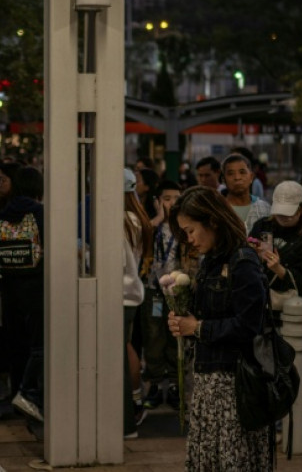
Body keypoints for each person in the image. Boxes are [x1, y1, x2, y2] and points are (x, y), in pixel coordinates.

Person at [167, 186, 271, 471]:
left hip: (233, 385)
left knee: (231, 459)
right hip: (208, 381)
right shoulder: (212, 261)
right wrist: (184, 321)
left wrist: (197, 328)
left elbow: (249, 325)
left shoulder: (243, 262)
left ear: (212, 221)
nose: (189, 240)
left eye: (190, 231)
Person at [0, 166, 46, 423]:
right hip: (35, 284)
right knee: (38, 344)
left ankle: (16, 394)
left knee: (16, 343)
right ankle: (31, 396)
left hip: (9, 286)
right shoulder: (39, 212)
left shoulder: (4, 211)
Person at [141, 180, 183, 411]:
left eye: (177, 198)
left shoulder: (185, 226)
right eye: (167, 199)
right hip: (154, 290)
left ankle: (177, 385)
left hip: (178, 291)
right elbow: (139, 237)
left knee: (176, 336)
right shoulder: (152, 226)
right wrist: (157, 218)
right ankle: (155, 384)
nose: (173, 203)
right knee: (154, 334)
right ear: (158, 202)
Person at [250, 181, 302, 309]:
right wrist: (252, 253)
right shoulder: (262, 226)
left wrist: (279, 269)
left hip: (292, 309)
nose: (283, 217)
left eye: (289, 212)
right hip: (258, 303)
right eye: (279, 212)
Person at [123, 168, 152, 439]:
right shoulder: (136, 217)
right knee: (127, 347)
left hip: (121, 293)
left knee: (122, 350)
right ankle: (135, 399)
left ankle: (131, 405)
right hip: (133, 291)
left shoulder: (122, 220)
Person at [221, 153, 271, 233]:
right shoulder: (218, 210)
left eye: (242, 172)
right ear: (224, 180)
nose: (237, 178)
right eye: (231, 173)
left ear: (251, 177)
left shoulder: (265, 209)